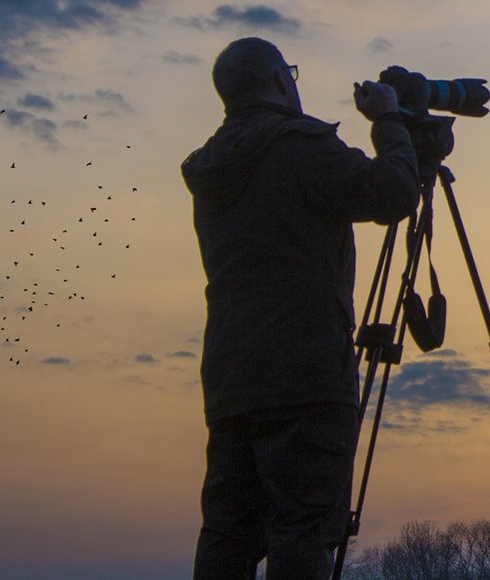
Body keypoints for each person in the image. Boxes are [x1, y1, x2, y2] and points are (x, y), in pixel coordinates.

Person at [184, 37, 419, 580]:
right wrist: (389, 124)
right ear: (275, 81)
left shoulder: (212, 169)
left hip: (231, 380)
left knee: (227, 530)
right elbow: (392, 193)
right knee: (303, 526)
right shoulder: (297, 144)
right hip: (306, 374)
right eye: (289, 73)